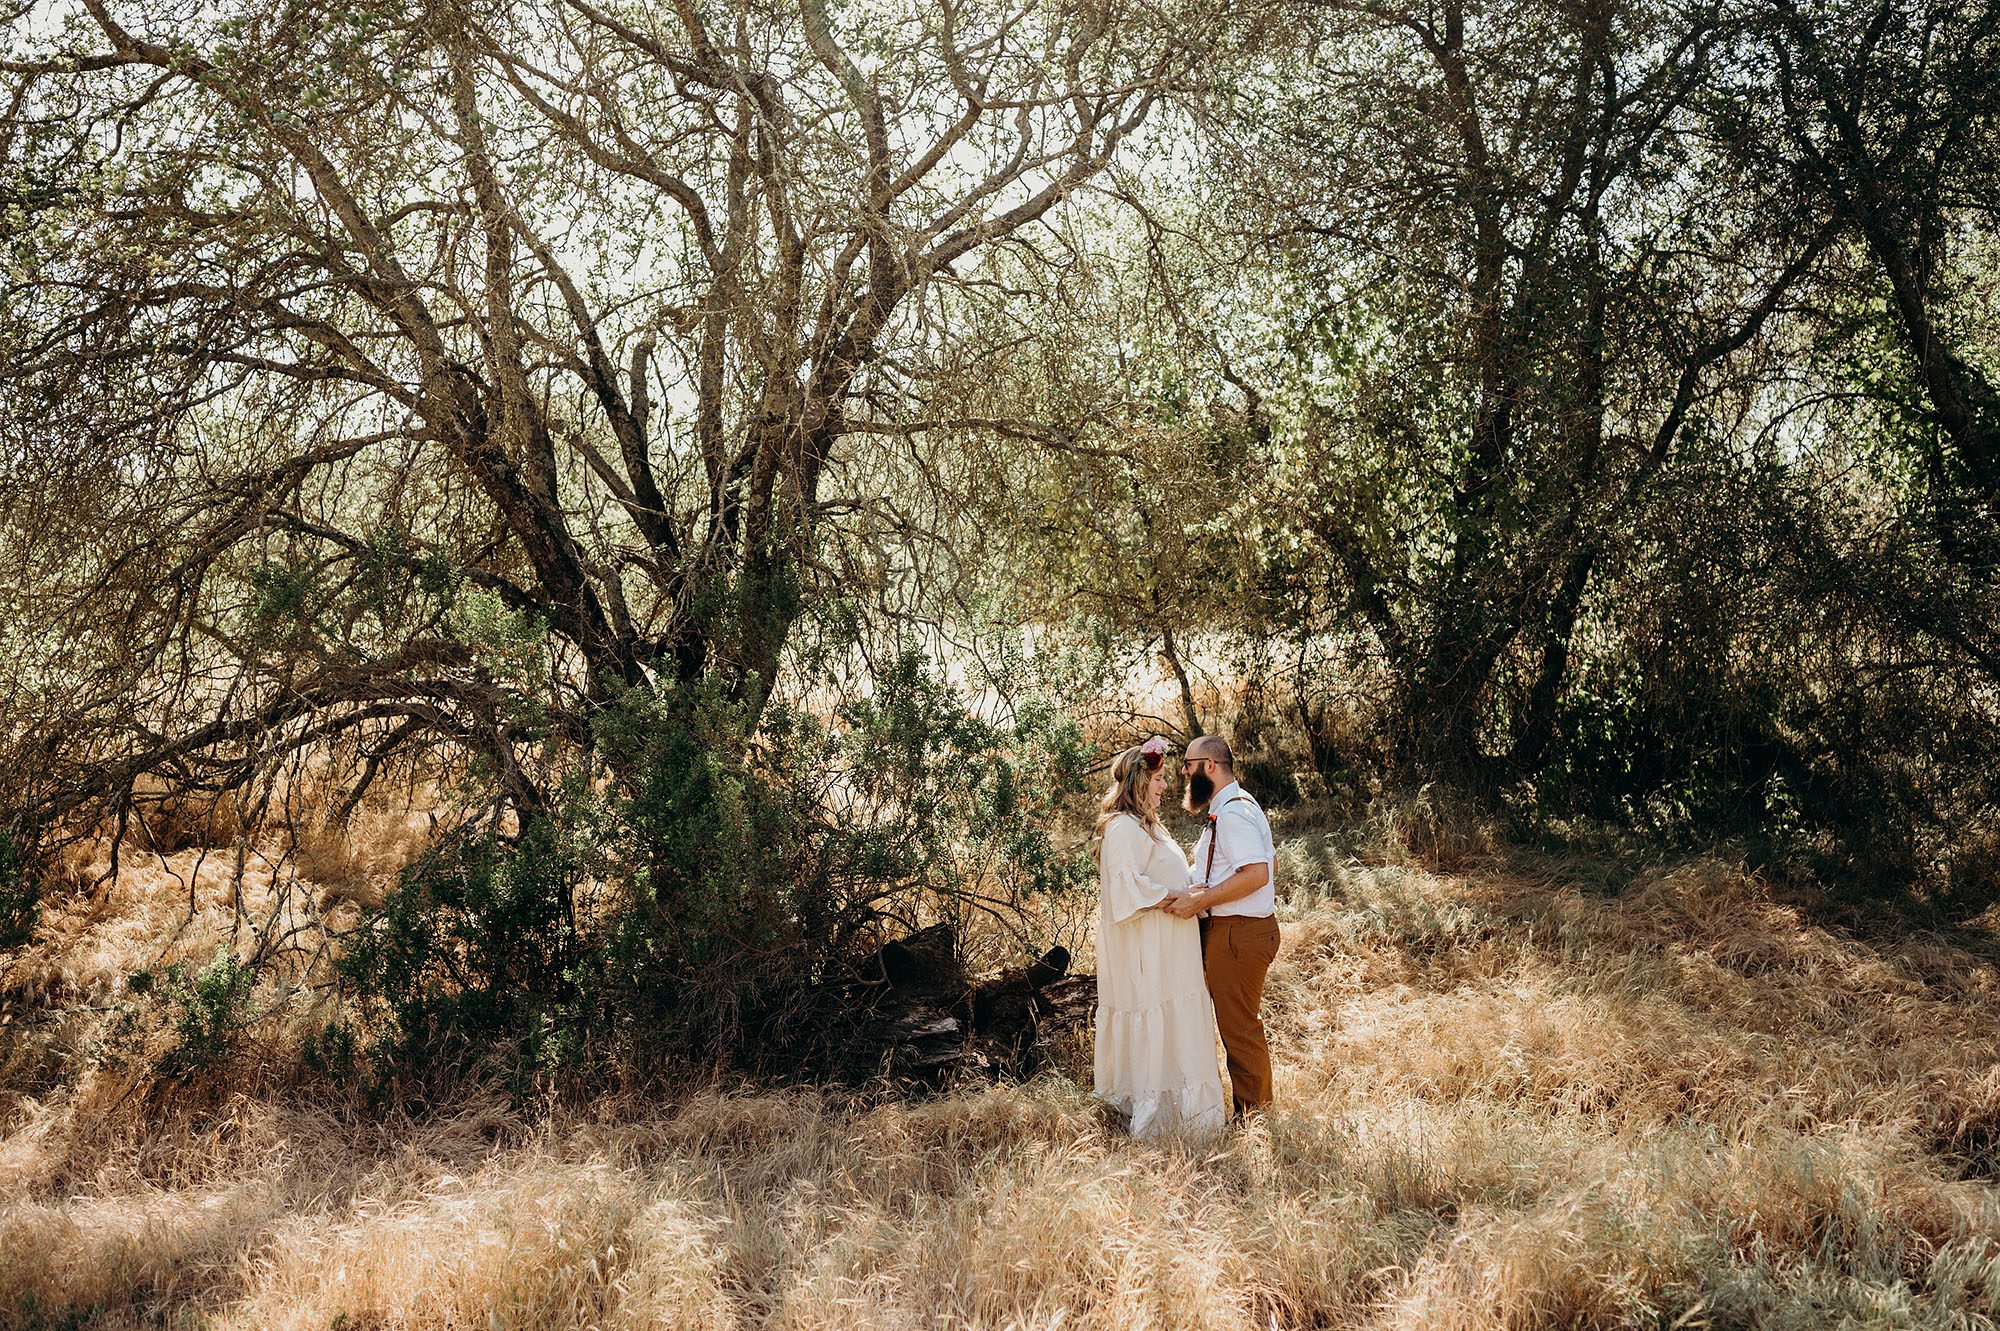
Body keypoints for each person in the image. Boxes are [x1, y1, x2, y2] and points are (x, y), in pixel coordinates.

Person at [1092, 736, 1228, 1137]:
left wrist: (1197, 891)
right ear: (1139, 780)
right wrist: (1178, 896)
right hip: (1149, 949)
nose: (1166, 786)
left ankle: (1193, 1119)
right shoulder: (1121, 827)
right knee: (1156, 1016)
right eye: (1159, 778)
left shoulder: (1147, 825)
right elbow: (1125, 888)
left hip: (1172, 945)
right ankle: (1159, 1116)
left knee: (1178, 1019)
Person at [1164, 734, 1280, 1118]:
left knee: (1240, 1031)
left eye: (1188, 764)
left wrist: (1203, 899)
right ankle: (1253, 1112)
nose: (1183, 772)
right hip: (1235, 931)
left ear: (1208, 766)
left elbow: (1259, 873)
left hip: (1238, 934)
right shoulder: (1234, 807)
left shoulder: (1233, 813)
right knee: (1238, 1028)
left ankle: (1254, 1120)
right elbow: (1265, 865)